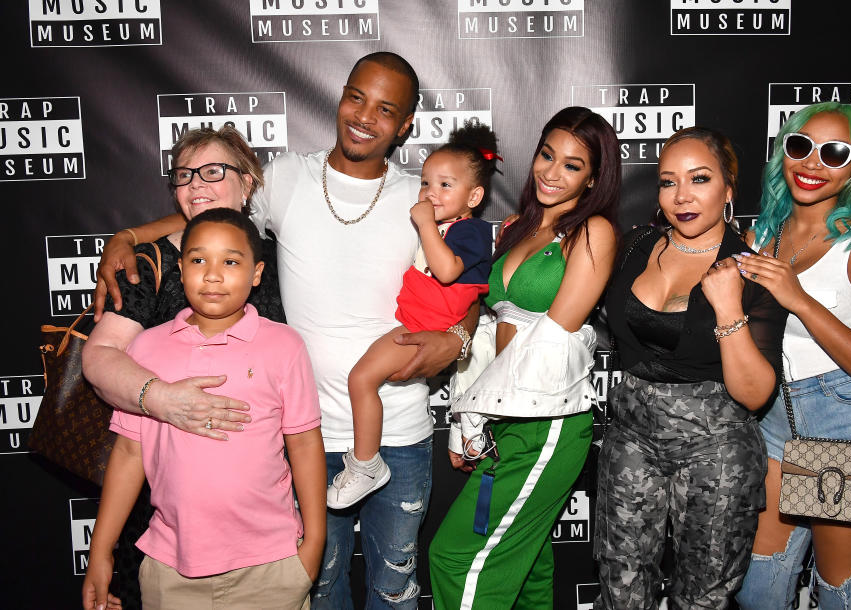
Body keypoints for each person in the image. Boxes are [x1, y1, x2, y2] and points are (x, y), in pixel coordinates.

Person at [92, 52, 469, 609]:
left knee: (396, 591)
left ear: (406, 124)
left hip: (399, 434)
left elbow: (463, 282)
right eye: (357, 97)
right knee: (322, 591)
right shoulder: (289, 176)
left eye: (386, 109)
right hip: (302, 439)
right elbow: (216, 215)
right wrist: (128, 235)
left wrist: (459, 338)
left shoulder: (424, 199)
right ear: (340, 94)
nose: (365, 116)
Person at [82, 125, 286, 609]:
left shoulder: (282, 257)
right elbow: (100, 354)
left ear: (249, 181)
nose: (196, 185)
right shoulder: (147, 263)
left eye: (213, 171)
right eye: (184, 175)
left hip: (265, 511)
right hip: (162, 507)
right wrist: (162, 398)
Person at [735, 103, 851, 610]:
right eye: (800, 146)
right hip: (777, 425)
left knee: (842, 598)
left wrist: (799, 299)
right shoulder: (762, 238)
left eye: (834, 153)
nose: (812, 163)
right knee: (757, 586)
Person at [428, 106, 620, 609]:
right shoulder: (516, 226)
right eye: (546, 155)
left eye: (572, 165)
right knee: (528, 569)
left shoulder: (592, 231)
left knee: (454, 559)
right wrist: (467, 418)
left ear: (594, 177)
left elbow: (555, 334)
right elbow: (489, 325)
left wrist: (472, 408)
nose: (551, 172)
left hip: (547, 421)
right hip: (503, 416)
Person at [595, 127, 788, 609]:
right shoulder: (636, 244)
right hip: (631, 437)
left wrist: (727, 308)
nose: (681, 196)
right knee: (619, 586)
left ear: (728, 189)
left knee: (702, 597)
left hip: (716, 452)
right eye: (667, 181)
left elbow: (755, 393)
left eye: (699, 179)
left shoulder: (751, 270)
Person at [329, 124, 497, 509]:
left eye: (445, 185)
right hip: (417, 323)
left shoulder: (469, 230)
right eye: (426, 183)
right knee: (363, 378)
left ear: (474, 196)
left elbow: (448, 271)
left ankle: (366, 464)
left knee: (361, 377)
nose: (430, 194)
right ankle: (367, 462)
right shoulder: (444, 226)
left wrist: (424, 223)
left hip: (427, 329)